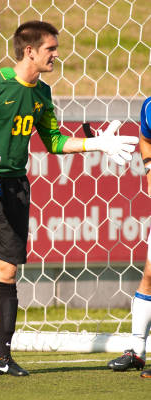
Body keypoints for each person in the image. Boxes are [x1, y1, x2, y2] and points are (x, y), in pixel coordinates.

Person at [0, 20, 139, 377]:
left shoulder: (42, 93)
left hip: (14, 187)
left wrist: (96, 144)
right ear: (29, 51)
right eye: (51, 49)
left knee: (7, 271)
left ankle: (3, 358)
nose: (56, 55)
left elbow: (53, 141)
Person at [107, 97, 151, 378]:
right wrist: (149, 166)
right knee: (150, 276)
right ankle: (137, 351)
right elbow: (145, 138)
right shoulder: (149, 108)